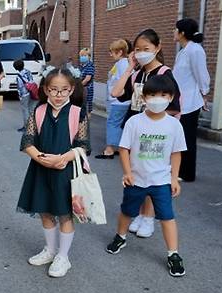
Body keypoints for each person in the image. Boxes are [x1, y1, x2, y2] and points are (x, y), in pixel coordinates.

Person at [105, 75, 187, 277]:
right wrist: (127, 172)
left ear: (171, 97)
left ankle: (173, 254)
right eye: (152, 94)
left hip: (161, 181)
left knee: (167, 217)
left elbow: (176, 153)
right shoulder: (135, 122)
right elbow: (124, 149)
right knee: (127, 211)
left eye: (163, 94)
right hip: (136, 180)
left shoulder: (174, 125)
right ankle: (120, 236)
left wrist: (174, 178)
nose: (157, 99)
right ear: (143, 97)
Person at [17, 68, 90, 278]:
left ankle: (63, 256)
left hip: (67, 172)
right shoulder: (38, 111)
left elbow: (83, 145)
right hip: (41, 169)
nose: (59, 95)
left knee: (65, 214)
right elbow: (27, 141)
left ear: (71, 89)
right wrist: (42, 159)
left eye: (64, 90)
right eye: (53, 90)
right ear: (46, 90)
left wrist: (62, 159)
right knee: (45, 211)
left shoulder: (78, 112)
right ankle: (49, 250)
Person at [110, 28, 182, 238]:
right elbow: (116, 93)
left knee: (152, 173)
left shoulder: (165, 74)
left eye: (146, 49)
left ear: (157, 48)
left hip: (157, 132)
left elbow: (175, 106)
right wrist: (130, 68)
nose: (141, 52)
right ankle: (141, 214)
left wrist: (151, 113)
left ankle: (148, 218)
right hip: (136, 129)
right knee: (138, 171)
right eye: (138, 49)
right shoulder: (138, 73)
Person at [173, 18, 210, 182]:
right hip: (181, 101)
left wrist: (204, 94)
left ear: (182, 33)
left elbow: (201, 74)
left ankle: (187, 173)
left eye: (176, 30)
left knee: (187, 138)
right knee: (180, 137)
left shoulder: (195, 50)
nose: (173, 32)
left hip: (190, 101)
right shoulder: (184, 51)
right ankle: (179, 169)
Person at [96, 39, 131, 159]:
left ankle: (110, 149)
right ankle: (116, 147)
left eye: (112, 52)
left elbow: (125, 82)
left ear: (120, 52)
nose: (110, 55)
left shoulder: (124, 64)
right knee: (117, 123)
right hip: (118, 100)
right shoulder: (120, 63)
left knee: (113, 123)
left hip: (120, 101)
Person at [14, 58, 37, 132]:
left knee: (25, 110)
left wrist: (20, 96)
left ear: (16, 68)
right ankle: (33, 125)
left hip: (25, 94)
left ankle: (26, 127)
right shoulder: (28, 71)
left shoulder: (19, 76)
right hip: (32, 91)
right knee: (31, 109)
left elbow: (20, 87)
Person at [79, 48, 95, 114]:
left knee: (87, 107)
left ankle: (87, 122)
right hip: (82, 89)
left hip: (87, 89)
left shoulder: (90, 66)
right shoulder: (82, 66)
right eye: (81, 56)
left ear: (89, 56)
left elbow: (87, 79)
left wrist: (79, 86)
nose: (82, 57)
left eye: (84, 55)